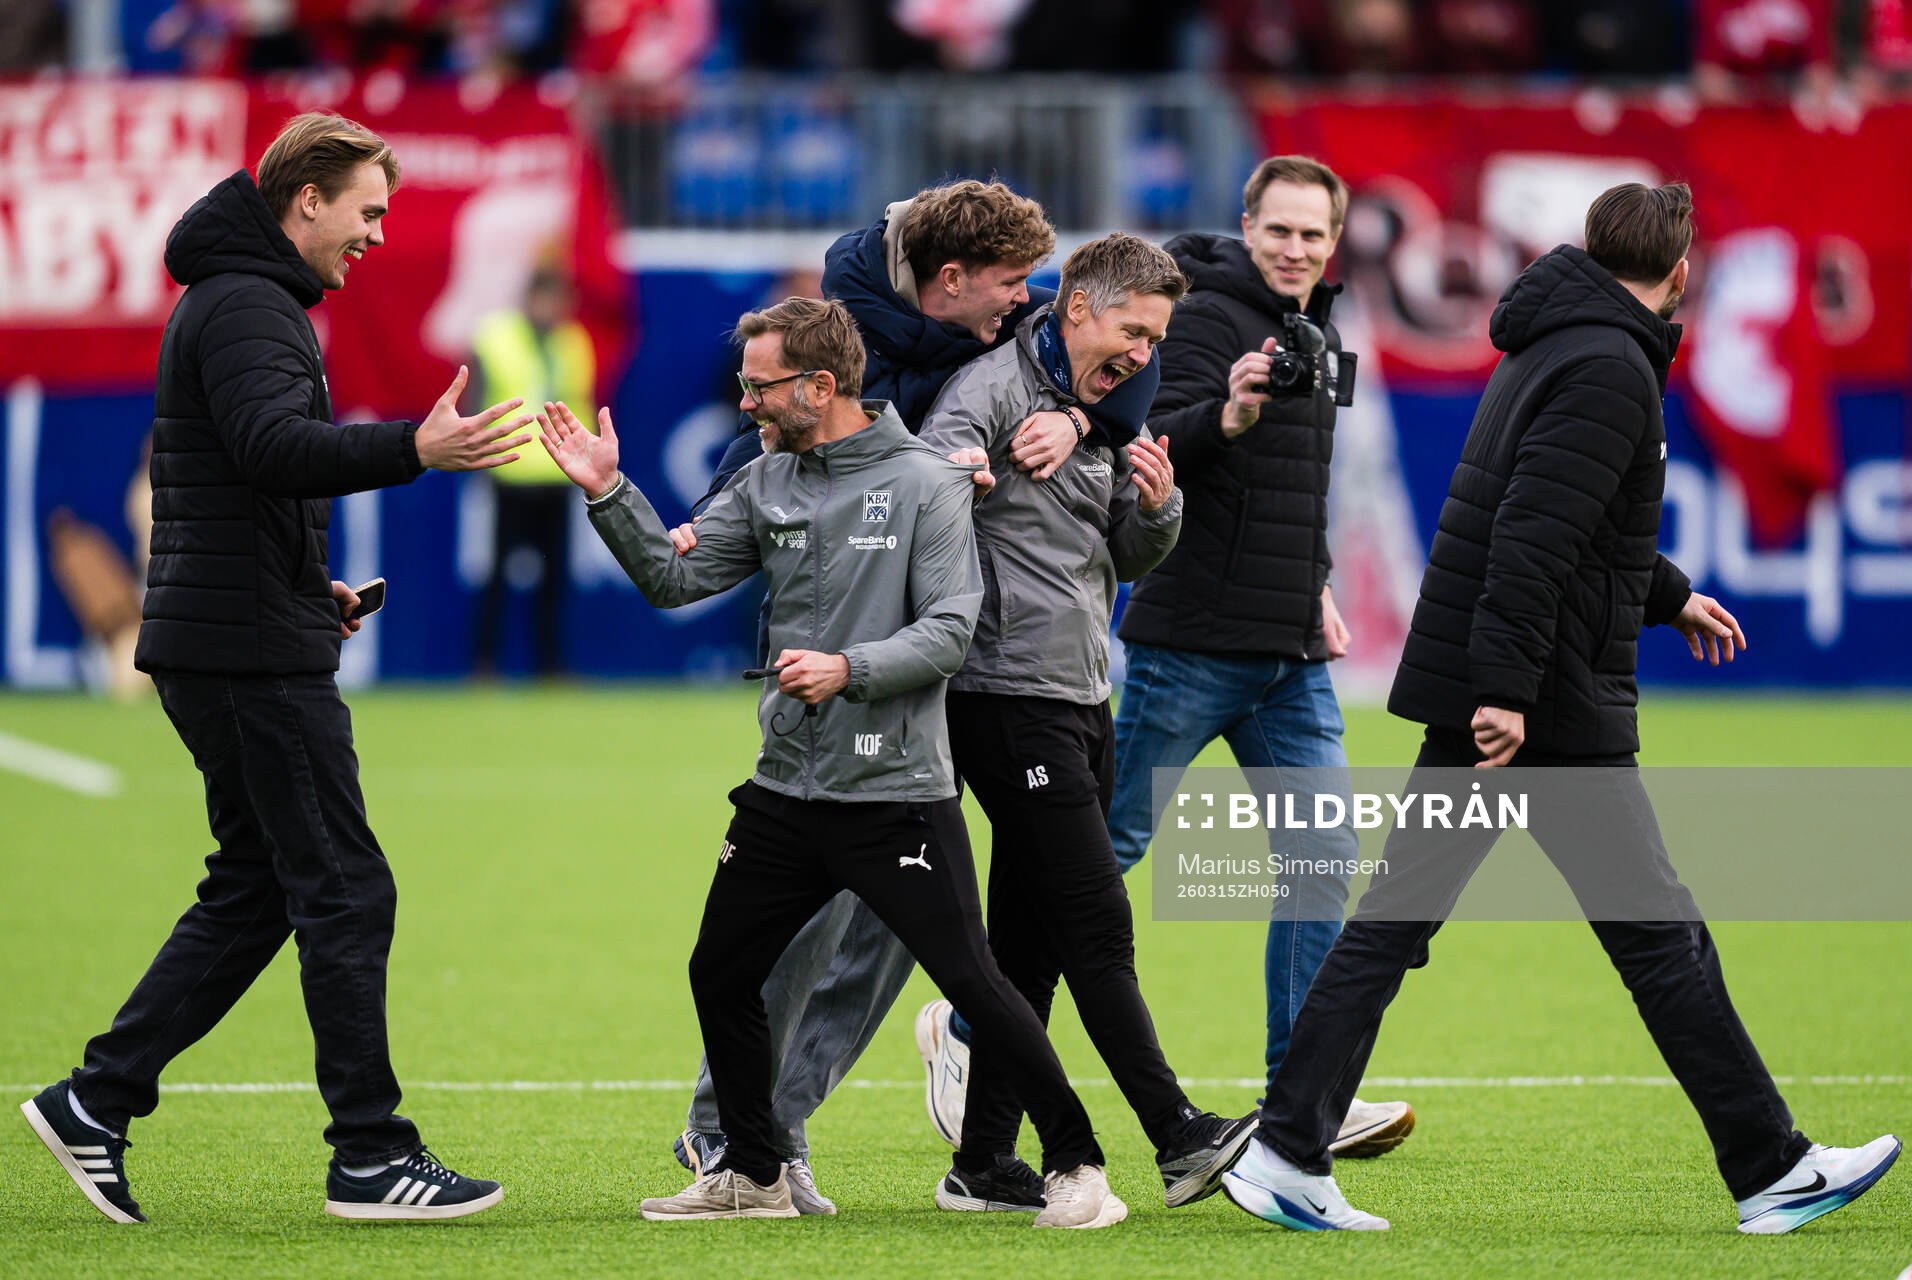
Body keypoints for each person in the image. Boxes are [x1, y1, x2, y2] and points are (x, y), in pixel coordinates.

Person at [1221, 182, 1903, 1233]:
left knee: (1402, 928)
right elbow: (1532, 539)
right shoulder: (1608, 364)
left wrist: (1668, 596)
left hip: (1513, 691)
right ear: (1681, 272)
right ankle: (1772, 1166)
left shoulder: (1558, 342)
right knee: (1657, 938)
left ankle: (1285, 1147)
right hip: (1541, 707)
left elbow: (1567, 518)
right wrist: (1503, 692)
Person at [18, 112, 532, 1224]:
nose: (378, 236)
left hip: (236, 634)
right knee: (345, 884)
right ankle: (369, 1153)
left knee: (260, 885)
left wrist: (310, 585)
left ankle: (95, 1097)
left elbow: (241, 482)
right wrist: (415, 446)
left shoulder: (242, 294)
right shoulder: (253, 301)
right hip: (247, 654)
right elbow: (270, 450)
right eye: (368, 211)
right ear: (307, 199)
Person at [540, 296, 1127, 1228]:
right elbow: (674, 579)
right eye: (742, 387)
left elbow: (947, 631)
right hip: (784, 790)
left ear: (821, 385)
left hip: (893, 793)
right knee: (720, 973)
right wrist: (610, 493)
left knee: (974, 982)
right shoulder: (767, 480)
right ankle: (755, 1175)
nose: (745, 406)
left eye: (760, 387)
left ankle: (1078, 1166)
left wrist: (848, 669)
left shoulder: (929, 482)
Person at [667, 180, 1162, 1213]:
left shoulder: (980, 334)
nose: (1020, 304)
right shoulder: (847, 334)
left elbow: (1106, 373)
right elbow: (765, 438)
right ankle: (730, 1129)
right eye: (1005, 286)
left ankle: (777, 1129)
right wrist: (710, 511)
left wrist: (1073, 416)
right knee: (807, 921)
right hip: (838, 653)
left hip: (918, 662)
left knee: (892, 929)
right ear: (945, 282)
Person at [917, 232, 1259, 1213]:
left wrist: (1158, 507)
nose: (1146, 352)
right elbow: (917, 506)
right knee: (1097, 924)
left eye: (1156, 337)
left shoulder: (1106, 411)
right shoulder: (984, 393)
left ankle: (981, 1163)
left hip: (1076, 690)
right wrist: (959, 484)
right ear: (1076, 309)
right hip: (1002, 694)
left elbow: (1118, 552)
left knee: (1027, 945)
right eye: (1134, 329)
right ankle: (1177, 1132)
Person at [1108, 155, 1414, 1159]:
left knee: (1322, 865)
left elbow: (1299, 488)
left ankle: (1300, 1097)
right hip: (1188, 641)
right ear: (1247, 225)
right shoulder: (1203, 317)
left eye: (1311, 233)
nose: (1294, 247)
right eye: (1277, 229)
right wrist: (1228, 413)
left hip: (1286, 652)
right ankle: (973, 1029)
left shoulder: (1315, 331)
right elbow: (1150, 443)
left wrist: (1316, 579)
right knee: (1099, 857)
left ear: (1336, 239)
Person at [470, 263, 598, 676]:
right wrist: (479, 457)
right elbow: (477, 402)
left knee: (555, 579)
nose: (551, 309)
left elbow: (581, 404)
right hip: (509, 471)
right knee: (496, 578)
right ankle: (486, 664)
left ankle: (551, 665)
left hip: (557, 475)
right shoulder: (496, 338)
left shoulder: (573, 341)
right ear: (528, 299)